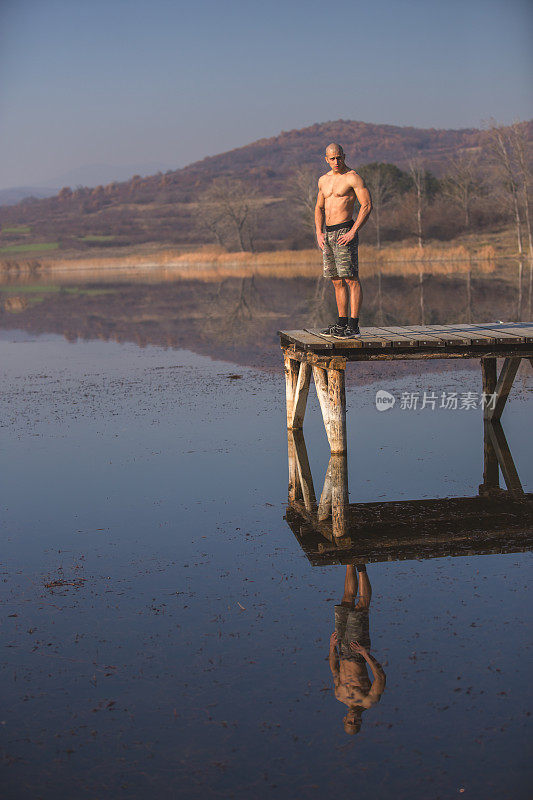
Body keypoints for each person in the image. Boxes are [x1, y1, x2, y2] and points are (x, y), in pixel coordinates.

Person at [315, 143, 372, 338]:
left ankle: (353, 325)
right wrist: (318, 232)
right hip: (328, 234)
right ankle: (341, 323)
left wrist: (354, 231)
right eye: (332, 158)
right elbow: (319, 208)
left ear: (344, 156)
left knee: (351, 279)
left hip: (345, 231)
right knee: (336, 280)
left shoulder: (352, 177)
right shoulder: (323, 180)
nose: (336, 161)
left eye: (339, 157)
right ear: (326, 159)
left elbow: (366, 205)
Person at [329, 564, 386, 735]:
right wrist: (365, 654)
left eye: (350, 722)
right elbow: (380, 677)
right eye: (356, 723)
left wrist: (332, 647)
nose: (354, 719)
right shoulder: (369, 701)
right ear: (361, 721)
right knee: (361, 607)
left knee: (346, 601)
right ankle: (361, 568)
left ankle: (349, 562)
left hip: (342, 649)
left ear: (344, 719)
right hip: (358, 653)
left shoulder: (339, 695)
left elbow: (334, 670)